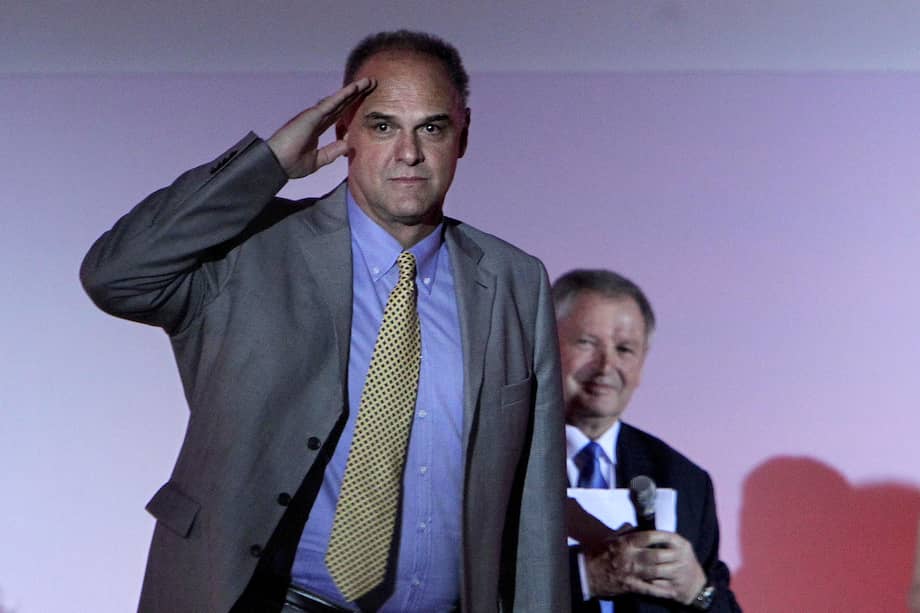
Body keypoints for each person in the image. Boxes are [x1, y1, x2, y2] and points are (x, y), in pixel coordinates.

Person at [81, 30, 568, 613]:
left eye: (431, 128)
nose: (408, 153)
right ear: (343, 130)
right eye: (383, 125)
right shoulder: (250, 250)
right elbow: (116, 275)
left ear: (464, 132)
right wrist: (266, 165)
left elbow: (535, 504)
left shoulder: (515, 279)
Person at [553, 269, 740, 612]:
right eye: (587, 343)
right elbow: (453, 589)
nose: (606, 365)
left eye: (625, 349)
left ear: (641, 366)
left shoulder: (685, 480)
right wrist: (584, 576)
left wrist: (696, 590)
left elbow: (720, 603)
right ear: (543, 345)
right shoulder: (490, 464)